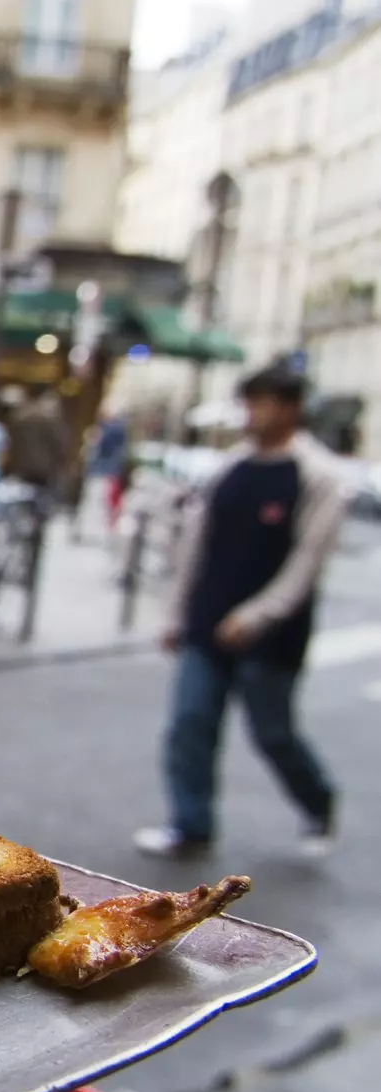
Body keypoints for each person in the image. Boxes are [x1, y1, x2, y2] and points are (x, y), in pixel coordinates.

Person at [134, 367, 347, 859]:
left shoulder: (318, 475)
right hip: (208, 622)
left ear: (291, 407)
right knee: (191, 721)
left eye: (263, 403)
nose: (252, 414)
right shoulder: (232, 468)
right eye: (249, 403)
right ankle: (191, 824)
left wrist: (258, 615)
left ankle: (318, 800)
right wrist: (176, 615)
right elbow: (196, 546)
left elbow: (307, 562)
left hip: (271, 635)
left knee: (273, 731)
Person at [5, 383, 73, 505]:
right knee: (43, 502)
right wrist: (63, 461)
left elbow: (12, 442)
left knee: (24, 500)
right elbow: (58, 442)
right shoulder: (48, 418)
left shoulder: (19, 416)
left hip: (23, 466)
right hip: (45, 467)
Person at [85, 408, 130, 533]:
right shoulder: (116, 430)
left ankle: (99, 529)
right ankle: (104, 529)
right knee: (104, 502)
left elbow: (101, 448)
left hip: (102, 470)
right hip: (108, 470)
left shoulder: (109, 430)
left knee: (98, 500)